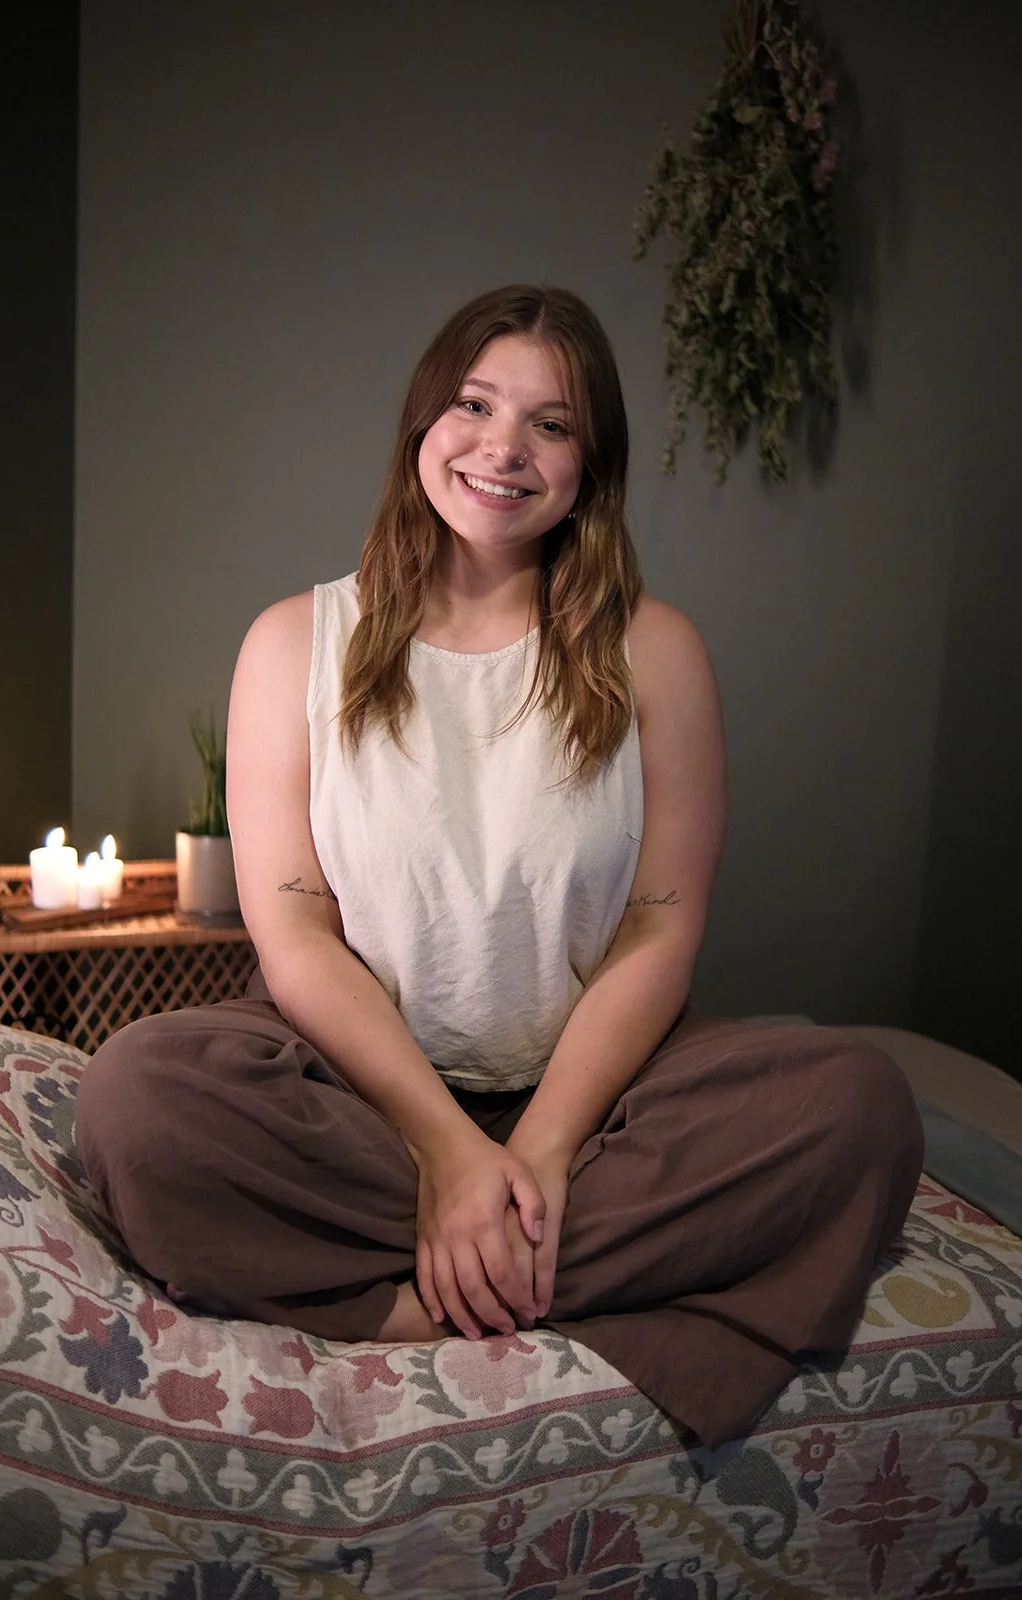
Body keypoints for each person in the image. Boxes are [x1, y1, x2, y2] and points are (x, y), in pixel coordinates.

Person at [75, 284, 924, 1448]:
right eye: (473, 404)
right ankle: (529, 1271)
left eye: (551, 422)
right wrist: (440, 1149)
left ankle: (430, 1298)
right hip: (356, 1094)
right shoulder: (292, 642)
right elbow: (296, 937)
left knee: (857, 1108)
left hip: (595, 1099)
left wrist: (533, 1151)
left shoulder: (656, 651)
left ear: (590, 461)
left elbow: (658, 930)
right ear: (422, 420)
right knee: (138, 1101)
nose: (502, 448)